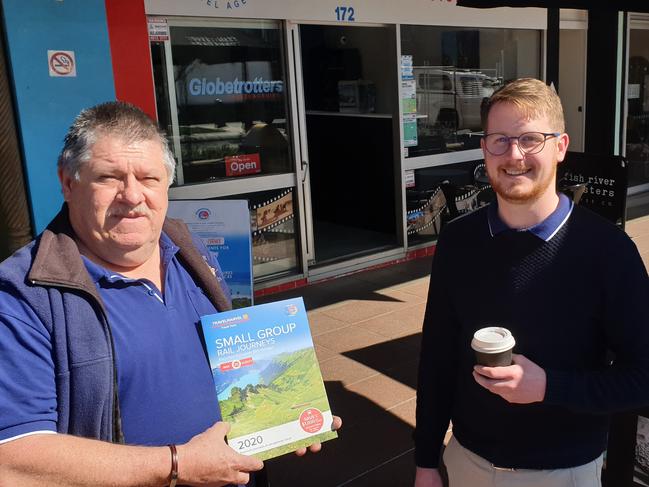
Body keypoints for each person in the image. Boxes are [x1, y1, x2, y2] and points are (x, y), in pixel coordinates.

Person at [0, 101, 341, 486]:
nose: (132, 196)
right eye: (109, 177)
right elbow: (12, 459)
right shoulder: (24, 296)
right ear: (68, 181)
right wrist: (177, 465)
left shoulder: (189, 251)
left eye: (148, 179)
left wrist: (280, 420)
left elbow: (231, 363)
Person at [413, 78, 649, 487]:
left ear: (560, 147)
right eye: (499, 140)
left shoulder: (608, 251)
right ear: (484, 148)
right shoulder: (458, 240)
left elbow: (642, 378)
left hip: (564, 471)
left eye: (531, 140)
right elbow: (437, 357)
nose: (514, 155)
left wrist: (549, 386)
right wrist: (427, 459)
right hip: (466, 460)